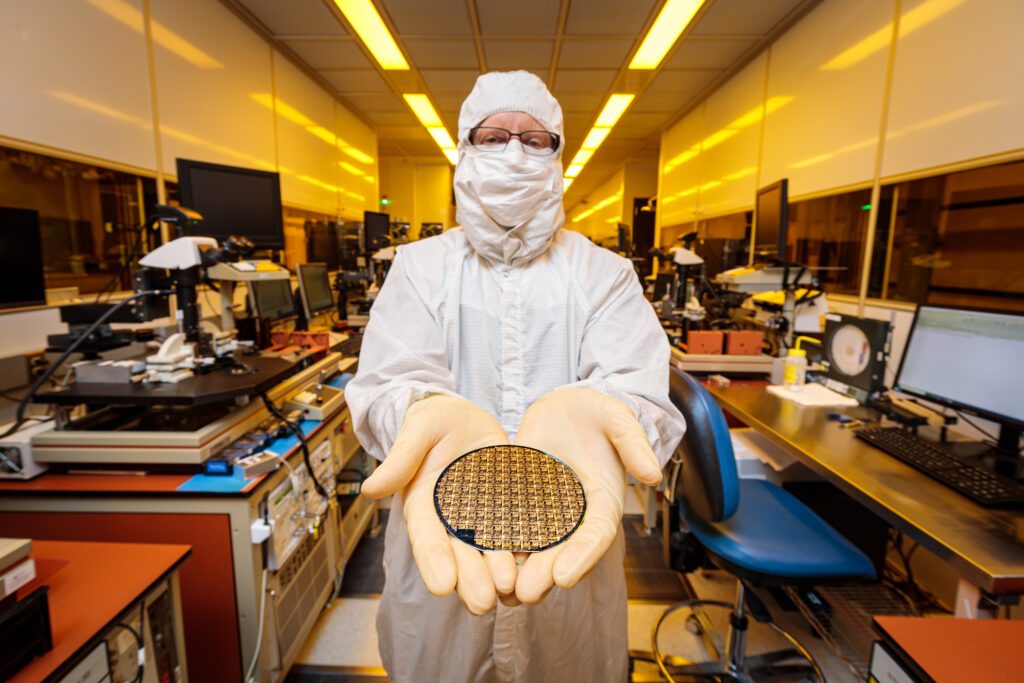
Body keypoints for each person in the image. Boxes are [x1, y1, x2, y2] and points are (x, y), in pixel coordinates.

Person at [345, 70, 686, 683]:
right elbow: (386, 386)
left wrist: (603, 411)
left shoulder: (604, 274)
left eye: (534, 140)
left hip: (569, 541)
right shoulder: (419, 269)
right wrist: (420, 411)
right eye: (494, 135)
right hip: (445, 539)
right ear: (464, 150)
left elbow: (638, 390)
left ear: (559, 156)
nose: (513, 151)